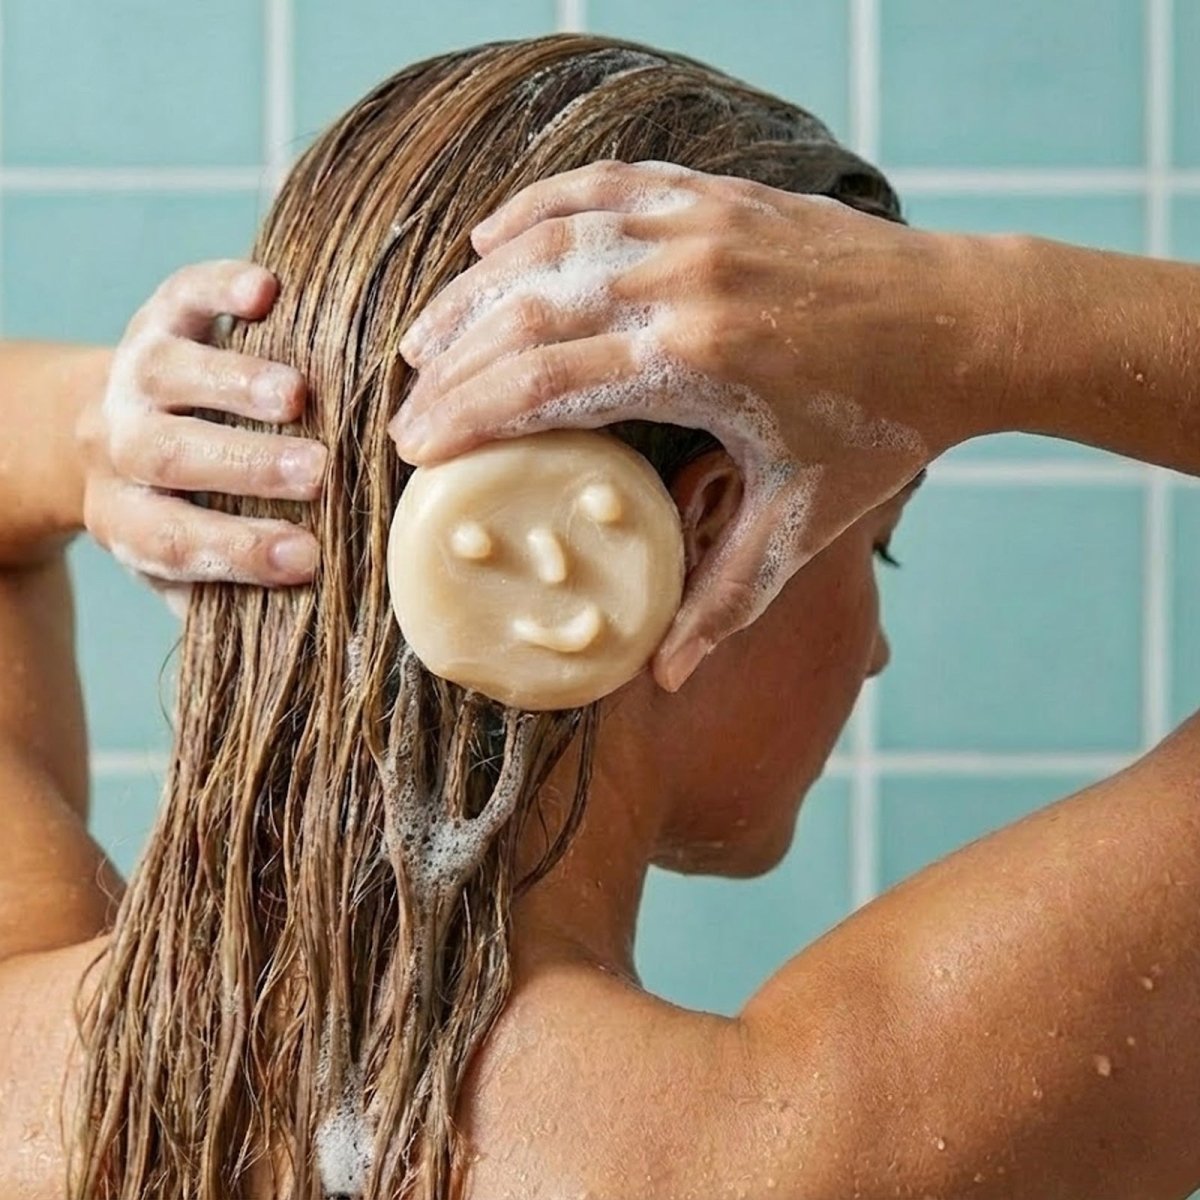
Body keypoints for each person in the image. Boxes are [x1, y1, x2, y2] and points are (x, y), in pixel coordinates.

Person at [0, 32, 1197, 1200]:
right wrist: (988, 315)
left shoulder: (23, 1074)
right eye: (874, 539)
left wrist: (104, 425)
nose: (876, 645)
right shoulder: (821, 1140)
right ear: (687, 539)